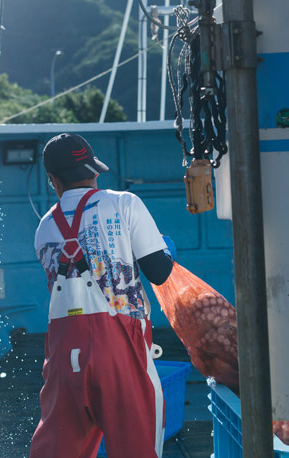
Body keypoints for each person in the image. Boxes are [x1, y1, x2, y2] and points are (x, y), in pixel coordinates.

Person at [29, 133, 175, 458]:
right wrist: (165, 251)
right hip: (120, 348)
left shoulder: (44, 228)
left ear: (53, 180)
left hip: (64, 355)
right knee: (136, 449)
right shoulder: (124, 203)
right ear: (92, 172)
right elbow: (159, 272)